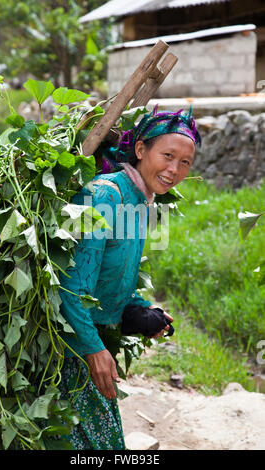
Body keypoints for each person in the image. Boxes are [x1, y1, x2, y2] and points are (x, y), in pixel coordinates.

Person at [58, 107, 201, 450]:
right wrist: (94, 350)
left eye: (185, 162)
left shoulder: (141, 201)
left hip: (91, 343)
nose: (174, 170)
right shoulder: (106, 195)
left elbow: (113, 272)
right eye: (168, 156)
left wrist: (140, 311)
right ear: (140, 150)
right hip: (67, 350)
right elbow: (71, 284)